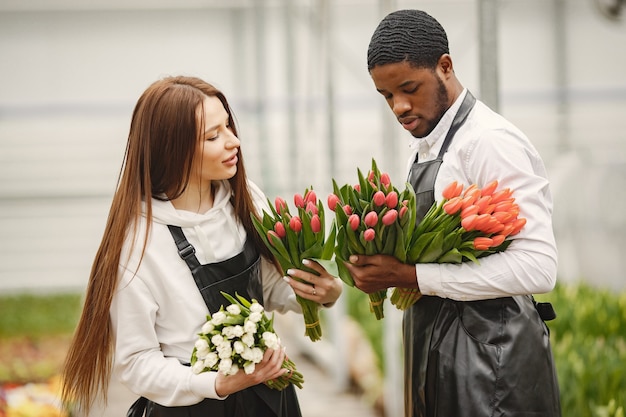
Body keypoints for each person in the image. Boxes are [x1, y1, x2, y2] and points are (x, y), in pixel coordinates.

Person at [60, 75, 342, 417]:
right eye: (213, 135)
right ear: (173, 149)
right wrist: (214, 384)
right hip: (192, 408)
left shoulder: (245, 199)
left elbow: (269, 287)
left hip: (268, 396)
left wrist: (319, 294)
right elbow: (136, 363)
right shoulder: (139, 244)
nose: (234, 141)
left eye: (228, 127)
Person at [344, 9, 561, 417]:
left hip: (491, 366)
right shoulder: (428, 142)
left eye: (409, 88)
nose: (399, 107)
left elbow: (538, 267)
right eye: (387, 96)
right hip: (439, 355)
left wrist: (411, 276)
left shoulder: (488, 142)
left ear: (445, 66)